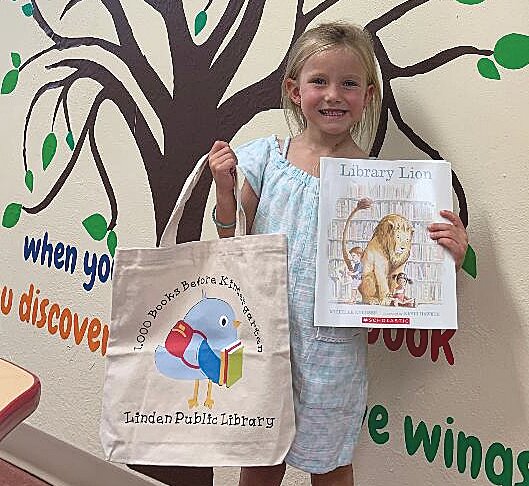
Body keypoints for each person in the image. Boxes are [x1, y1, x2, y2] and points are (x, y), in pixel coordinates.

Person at [208, 22, 468, 486]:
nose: (333, 95)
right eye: (319, 81)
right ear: (293, 90)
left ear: (368, 96)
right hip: (267, 336)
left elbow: (407, 258)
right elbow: (230, 237)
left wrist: (450, 249)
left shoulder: (383, 183)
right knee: (262, 459)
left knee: (331, 463)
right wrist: (224, 188)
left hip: (334, 352)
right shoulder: (267, 157)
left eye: (349, 83)